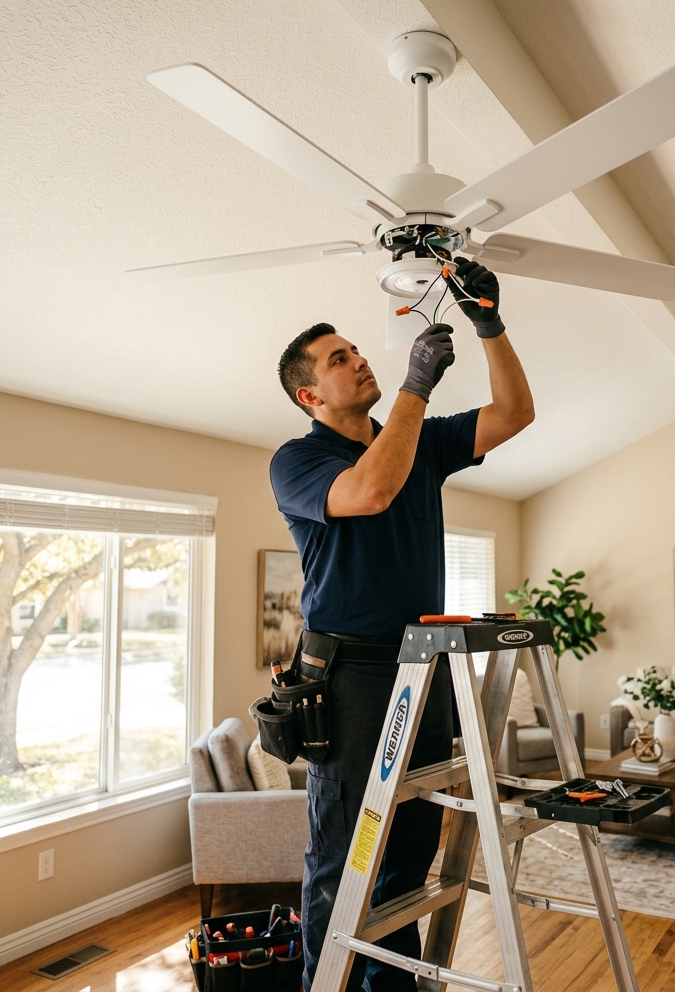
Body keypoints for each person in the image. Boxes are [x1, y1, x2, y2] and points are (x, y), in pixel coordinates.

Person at [269, 258, 533, 991]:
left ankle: (391, 985)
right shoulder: (298, 460)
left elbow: (514, 414)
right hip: (347, 677)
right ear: (309, 393)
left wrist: (489, 324)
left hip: (424, 665)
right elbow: (373, 489)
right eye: (338, 359)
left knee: (412, 845)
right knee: (345, 856)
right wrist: (416, 385)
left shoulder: (418, 441)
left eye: (356, 350)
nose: (358, 360)